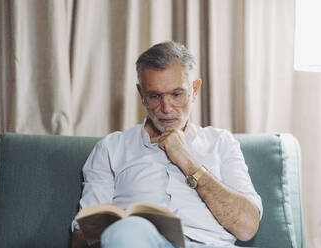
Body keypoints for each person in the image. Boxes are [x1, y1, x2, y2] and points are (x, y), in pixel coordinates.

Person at [71, 41, 263, 248]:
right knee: (128, 230)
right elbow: (82, 236)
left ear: (195, 89)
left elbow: (247, 227)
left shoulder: (221, 143)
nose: (166, 108)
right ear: (141, 94)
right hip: (140, 242)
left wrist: (187, 160)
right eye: (155, 96)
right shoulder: (111, 148)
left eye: (176, 94)